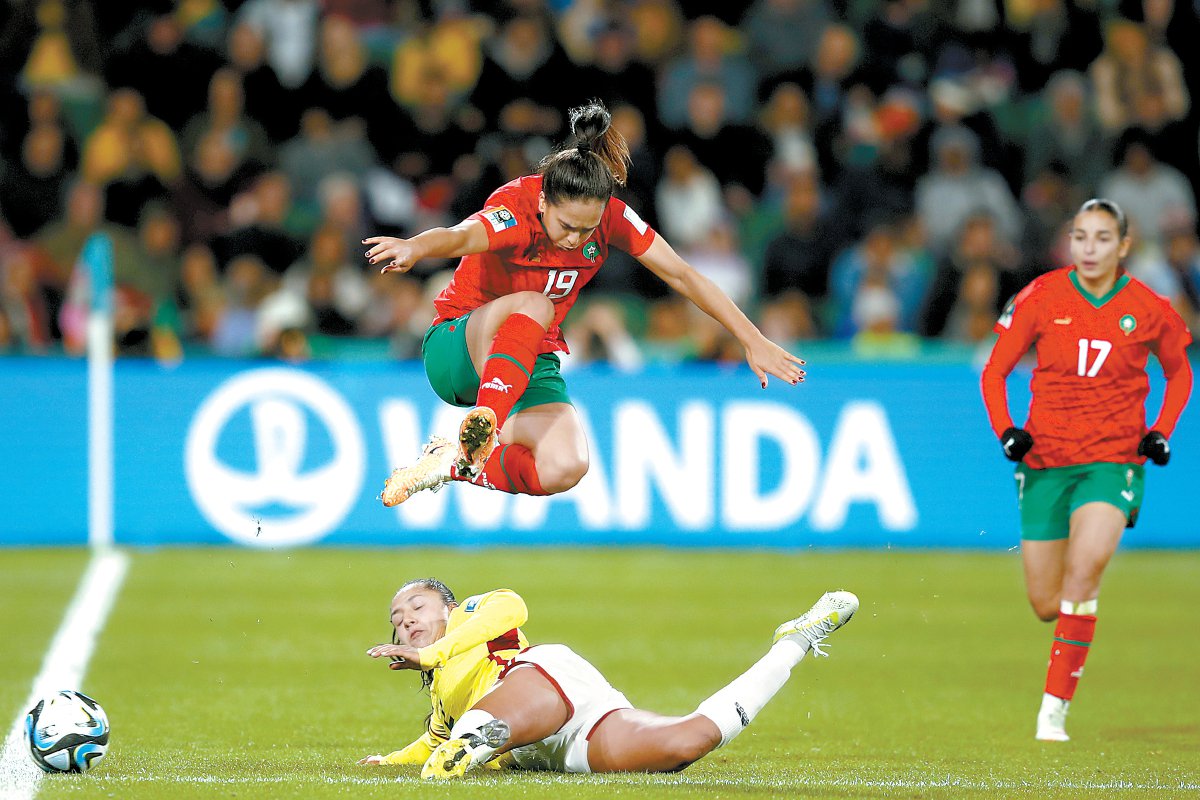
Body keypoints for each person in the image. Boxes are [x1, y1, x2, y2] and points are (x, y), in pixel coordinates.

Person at [365, 101, 806, 506]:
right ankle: (487, 422)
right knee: (537, 305)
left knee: (565, 464)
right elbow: (460, 235)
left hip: (523, 358)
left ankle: (451, 463)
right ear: (543, 201)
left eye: (588, 229)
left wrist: (752, 339)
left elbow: (683, 275)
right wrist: (416, 247)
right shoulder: (514, 209)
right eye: (567, 226)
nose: (576, 239)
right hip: (457, 348)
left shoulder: (611, 217)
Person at [980, 198, 1193, 742]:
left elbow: (1179, 373)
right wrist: (1008, 430)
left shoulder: (1149, 307)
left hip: (1113, 460)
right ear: (1069, 243)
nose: (1089, 248)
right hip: (1046, 461)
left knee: (1086, 570)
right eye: (1080, 237)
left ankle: (1053, 714)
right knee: (1046, 603)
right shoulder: (1041, 295)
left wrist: (1161, 431)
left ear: (1124, 245)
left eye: (1102, 238)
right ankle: (1071, 635)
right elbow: (996, 370)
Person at [358, 578, 858, 779]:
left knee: (452, 758)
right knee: (685, 743)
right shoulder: (446, 696)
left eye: (417, 607)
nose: (407, 621)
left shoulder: (467, 619)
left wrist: (436, 653)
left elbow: (513, 605)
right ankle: (795, 640)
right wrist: (388, 759)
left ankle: (480, 740)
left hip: (547, 680)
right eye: (398, 620)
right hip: (555, 744)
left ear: (446, 605)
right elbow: (430, 738)